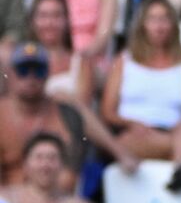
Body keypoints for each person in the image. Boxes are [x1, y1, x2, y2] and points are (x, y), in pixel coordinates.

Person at [100, 0, 181, 192]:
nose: (159, 26)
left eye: (165, 19)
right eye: (153, 19)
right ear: (143, 25)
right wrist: (131, 123)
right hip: (136, 133)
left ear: (173, 24)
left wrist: (180, 130)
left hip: (176, 130)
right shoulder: (125, 61)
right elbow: (107, 111)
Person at [0, 42, 136, 189]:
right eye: (23, 70)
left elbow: (69, 177)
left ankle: (118, 151)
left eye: (38, 70)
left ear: (47, 74)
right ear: (10, 74)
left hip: (56, 201)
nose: (31, 77)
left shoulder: (63, 113)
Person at [0, 134, 114, 203]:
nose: (45, 165)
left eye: (52, 158)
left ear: (62, 165)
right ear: (25, 164)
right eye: (39, 157)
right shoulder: (6, 198)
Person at [12, 0, 94, 104]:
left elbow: (83, 109)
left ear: (66, 20)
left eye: (56, 15)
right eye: (43, 15)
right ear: (32, 20)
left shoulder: (81, 62)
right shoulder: (16, 58)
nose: (49, 23)